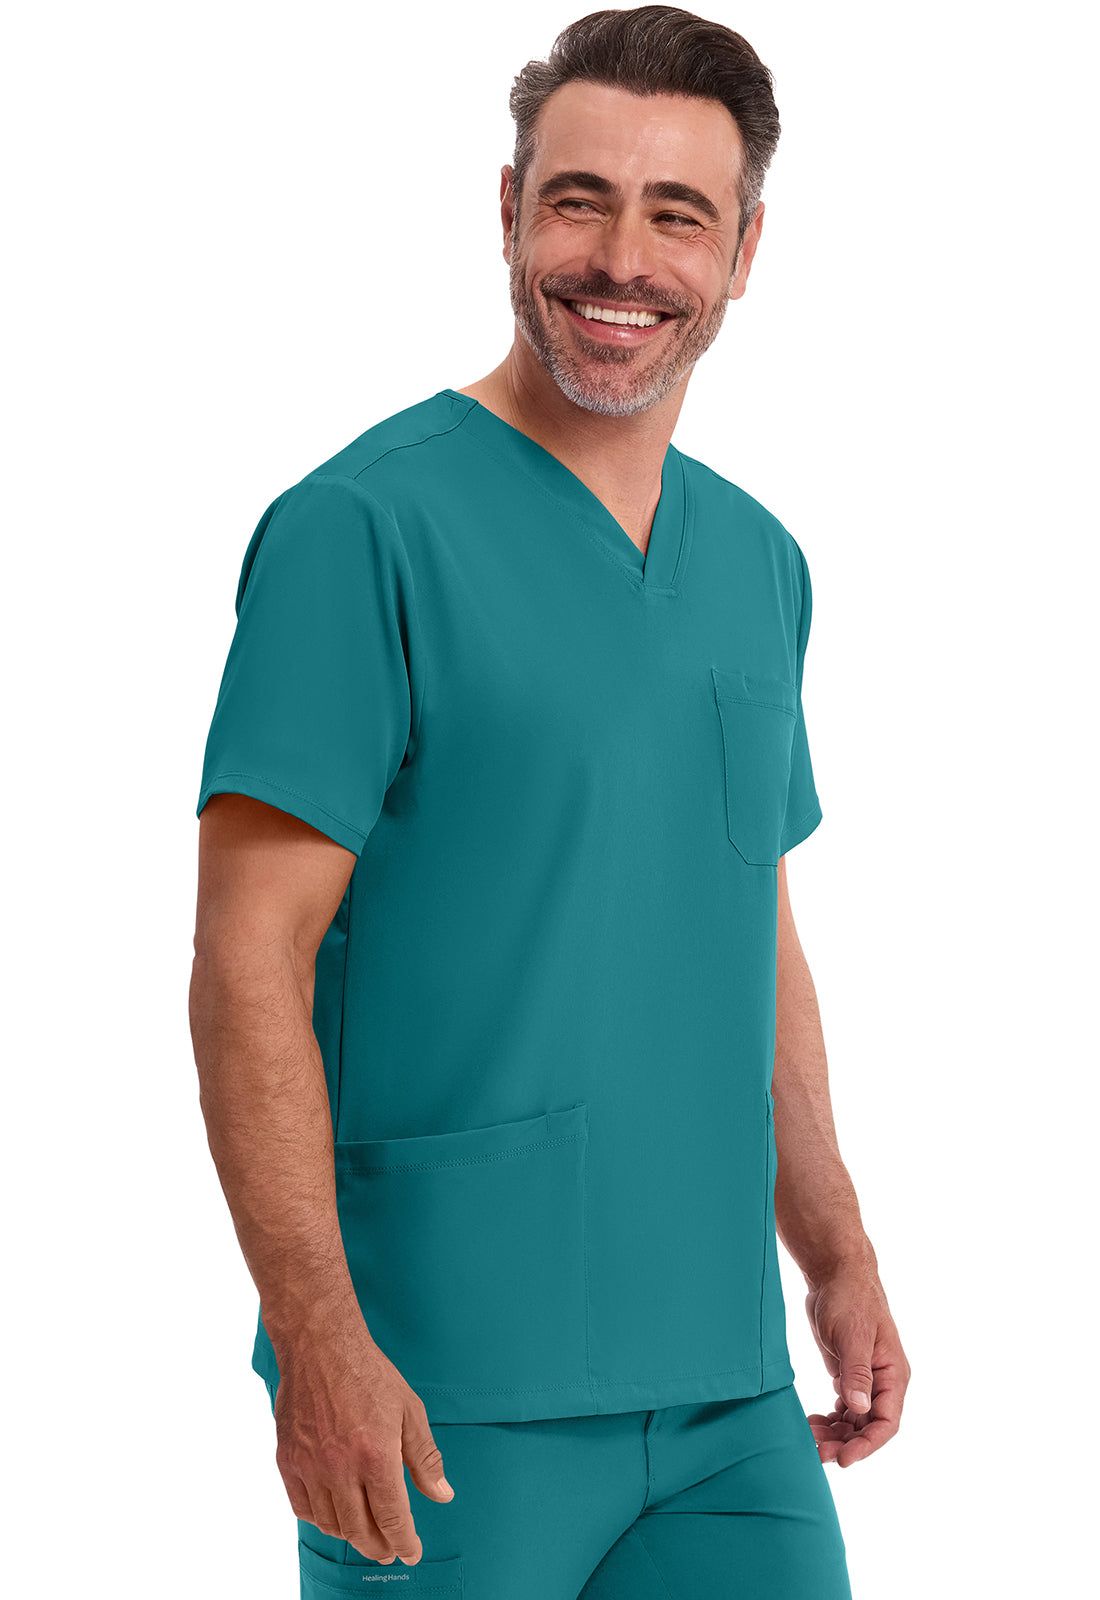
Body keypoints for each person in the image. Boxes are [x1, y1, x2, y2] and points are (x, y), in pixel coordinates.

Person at [190, 7, 910, 1597]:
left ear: (745, 252)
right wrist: (316, 1337)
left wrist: (836, 1246)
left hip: (725, 1392)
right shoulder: (360, 532)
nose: (622, 261)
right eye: (580, 200)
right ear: (509, 210)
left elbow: (750, 923)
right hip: (440, 1384)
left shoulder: (761, 564)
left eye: (678, 215)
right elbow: (247, 958)